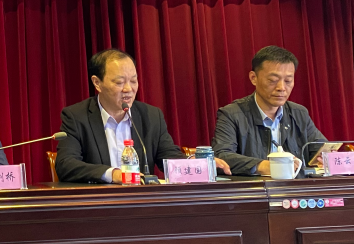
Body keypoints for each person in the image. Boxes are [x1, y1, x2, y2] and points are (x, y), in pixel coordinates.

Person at [56, 49, 227, 183]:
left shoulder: (151, 116)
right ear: (97, 83)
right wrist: (114, 174)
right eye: (119, 82)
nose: (128, 89)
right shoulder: (76, 116)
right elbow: (66, 164)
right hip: (99, 205)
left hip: (142, 205)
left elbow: (169, 157)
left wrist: (196, 165)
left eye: (133, 80)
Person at [212, 45, 328, 176]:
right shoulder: (231, 114)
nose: (281, 87)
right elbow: (221, 156)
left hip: (296, 188)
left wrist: (326, 157)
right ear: (253, 78)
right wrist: (262, 166)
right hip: (255, 187)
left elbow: (321, 148)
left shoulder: (299, 113)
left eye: (288, 81)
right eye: (273, 80)